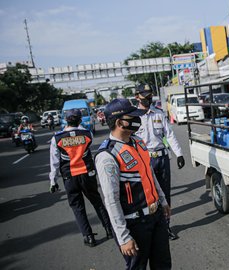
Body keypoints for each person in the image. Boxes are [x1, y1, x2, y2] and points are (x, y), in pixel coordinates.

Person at [95, 98, 172, 269]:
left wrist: (163, 200)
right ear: (119, 122)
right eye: (133, 117)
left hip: (156, 216)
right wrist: (123, 237)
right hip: (135, 225)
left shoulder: (138, 141)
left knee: (164, 265)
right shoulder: (107, 156)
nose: (138, 119)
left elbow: (150, 174)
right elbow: (111, 200)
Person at [49, 109, 113, 247]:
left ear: (66, 120)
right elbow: (84, 136)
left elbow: (54, 162)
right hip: (87, 174)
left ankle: (89, 237)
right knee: (97, 202)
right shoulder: (87, 133)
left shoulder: (57, 138)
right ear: (79, 120)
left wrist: (53, 181)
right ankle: (109, 229)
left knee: (78, 208)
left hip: (69, 177)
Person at [134, 84, 185, 240]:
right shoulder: (133, 117)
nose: (148, 98)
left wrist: (179, 154)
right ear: (137, 97)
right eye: (145, 96)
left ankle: (166, 226)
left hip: (162, 159)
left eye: (150, 95)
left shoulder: (159, 113)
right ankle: (150, 227)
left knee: (165, 194)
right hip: (144, 160)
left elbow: (169, 135)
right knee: (148, 195)